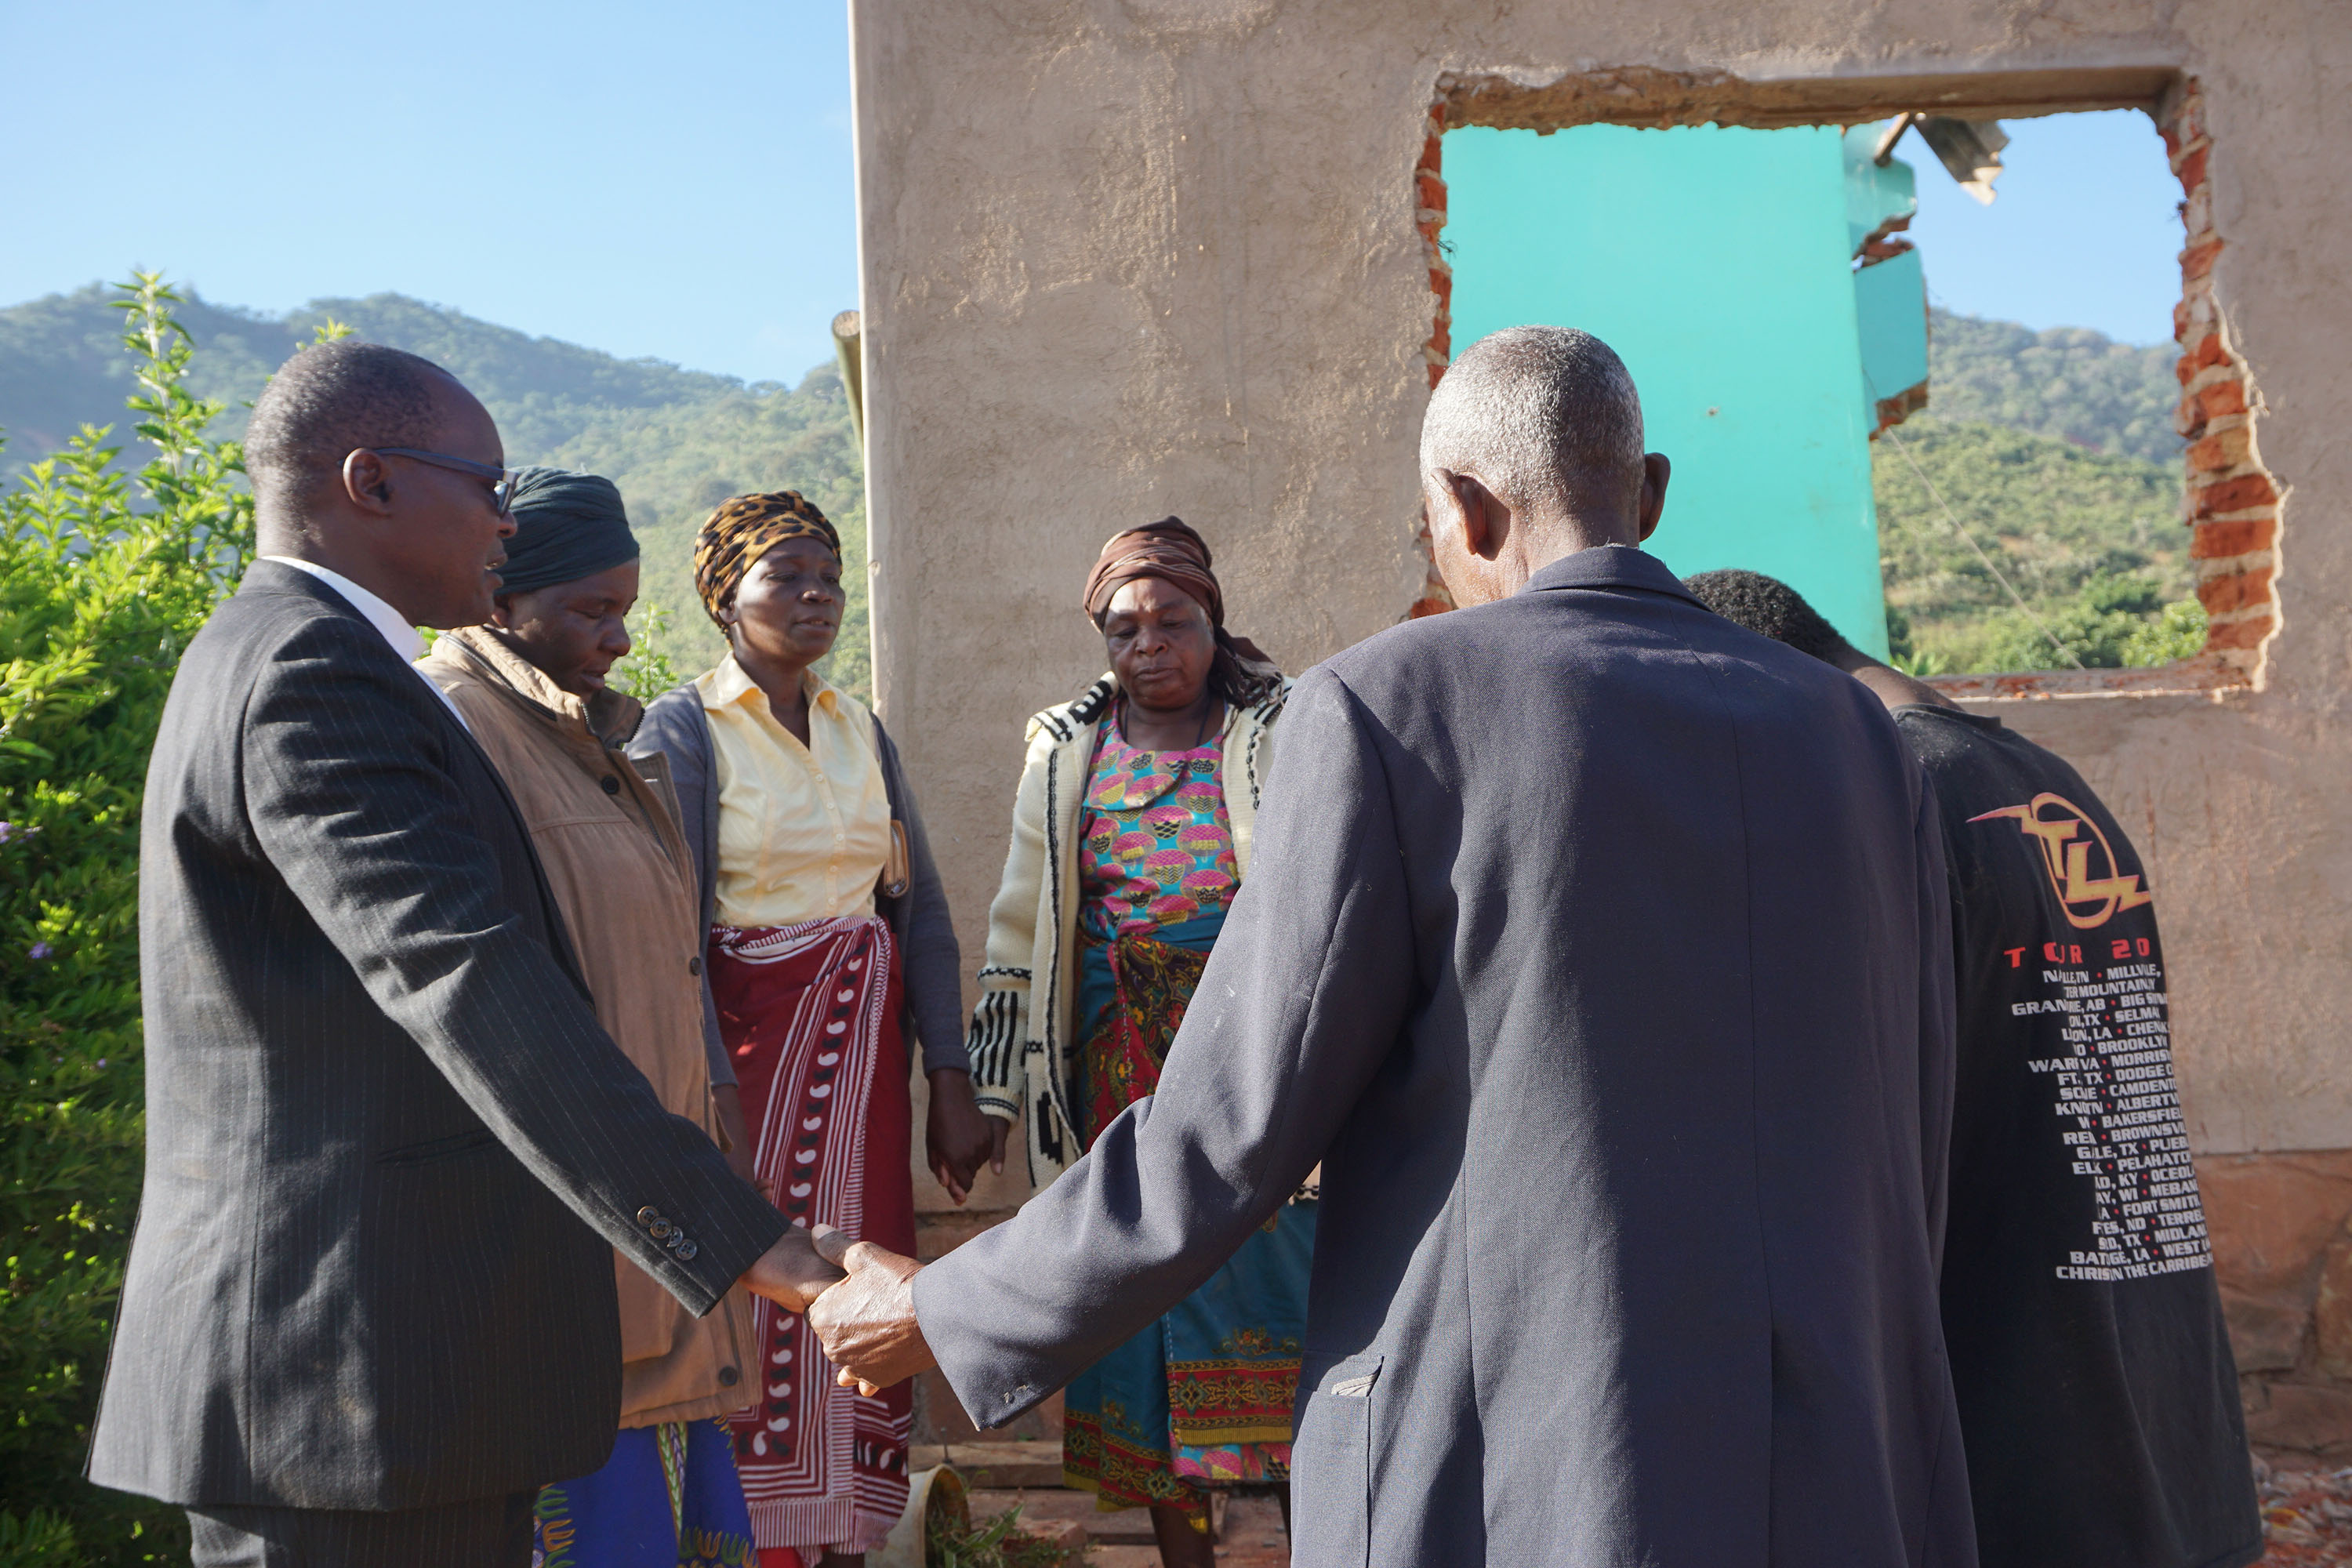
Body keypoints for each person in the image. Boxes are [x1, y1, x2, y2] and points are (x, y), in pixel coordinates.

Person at [804, 325, 1975, 1565]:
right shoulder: (1856, 737)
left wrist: (943, 1303)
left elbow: (1228, 1121)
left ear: (1465, 512)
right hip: (1841, 1462)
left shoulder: (1390, 706)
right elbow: (1921, 1111)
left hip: (1533, 1462)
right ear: (1650, 495)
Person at [86, 343, 841, 1568]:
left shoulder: (317, 656)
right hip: (344, 1382)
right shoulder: (309, 669)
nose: (504, 517)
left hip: (400, 1381)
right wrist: (755, 1243)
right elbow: (466, 979)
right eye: (483, 483)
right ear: (370, 481)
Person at [1682, 568, 2262, 1568]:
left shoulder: (1884, 791)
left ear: (1757, 676)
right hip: (2156, 1426)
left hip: (2011, 1450)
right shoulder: (2047, 779)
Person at [630, 492, 989, 1567]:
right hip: (748, 1059)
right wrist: (715, 1091)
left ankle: (845, 1534)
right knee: (761, 1274)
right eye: (786, 575)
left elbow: (913, 912)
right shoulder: (686, 729)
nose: (816, 595)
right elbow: (678, 922)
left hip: (864, 1071)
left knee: (865, 1272)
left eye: (828, 574)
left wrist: (952, 1078)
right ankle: (751, 1537)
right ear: (725, 596)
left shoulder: (854, 727)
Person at [420, 467, 766, 1567]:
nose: (618, 639)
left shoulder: (590, 740)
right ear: (500, 598)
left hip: (660, 1223)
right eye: (589, 610)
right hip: (565, 1247)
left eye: (624, 609)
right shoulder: (456, 733)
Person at [963, 516, 1305, 1564]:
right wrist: (990, 1095)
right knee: (1137, 1302)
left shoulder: (1274, 732)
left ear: (1213, 624)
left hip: (1250, 1076)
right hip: (1118, 1083)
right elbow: (1022, 922)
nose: (1149, 644)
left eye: (1173, 622)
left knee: (1275, 1290)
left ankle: (1301, 1536)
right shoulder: (1066, 751)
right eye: (1124, 629)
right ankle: (1184, 1556)